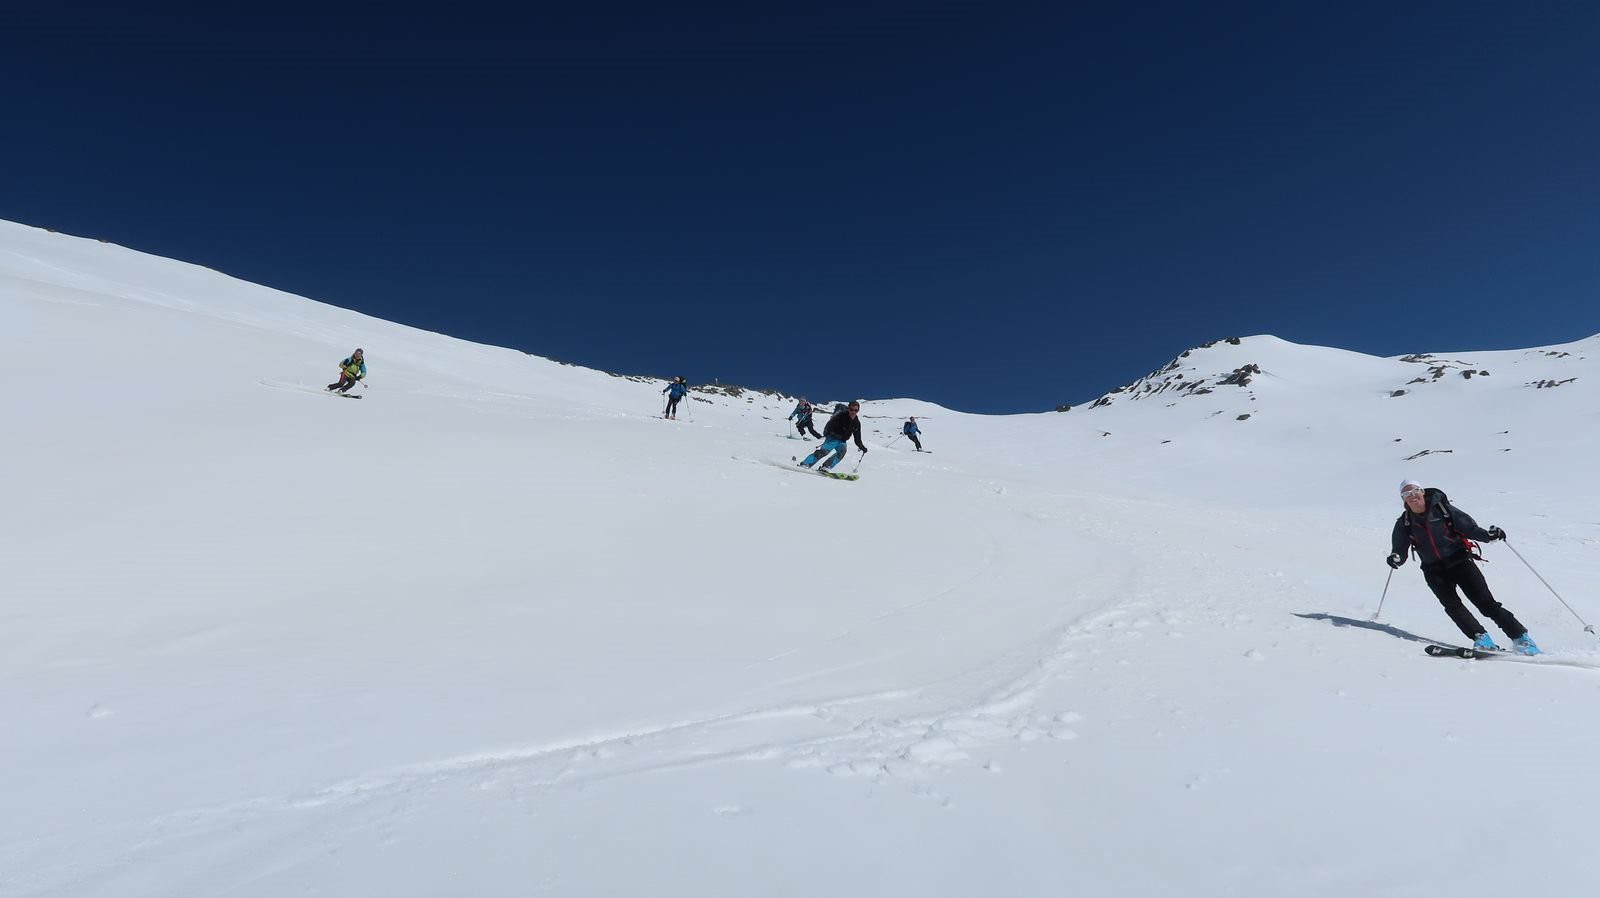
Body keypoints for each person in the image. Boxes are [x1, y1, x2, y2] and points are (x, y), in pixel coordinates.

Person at [1387, 479, 1539, 654]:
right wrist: (1396, 558)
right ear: (1403, 500)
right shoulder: (1404, 523)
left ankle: (1522, 638)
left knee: (1486, 604)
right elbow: (1400, 548)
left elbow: (1470, 529)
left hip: (1459, 562)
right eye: (1407, 494)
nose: (1412, 496)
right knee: (1452, 606)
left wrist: (1488, 535)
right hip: (1433, 570)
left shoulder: (1443, 510)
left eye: (1415, 491)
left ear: (1422, 492)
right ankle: (1481, 638)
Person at [799, 400, 868, 471]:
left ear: (858, 410)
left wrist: (862, 447)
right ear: (848, 408)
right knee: (824, 451)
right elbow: (830, 424)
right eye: (851, 409)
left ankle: (826, 466)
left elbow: (857, 438)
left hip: (842, 441)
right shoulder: (842, 415)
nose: (853, 412)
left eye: (856, 410)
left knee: (842, 452)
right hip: (832, 437)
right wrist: (827, 433)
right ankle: (806, 463)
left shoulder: (856, 423)